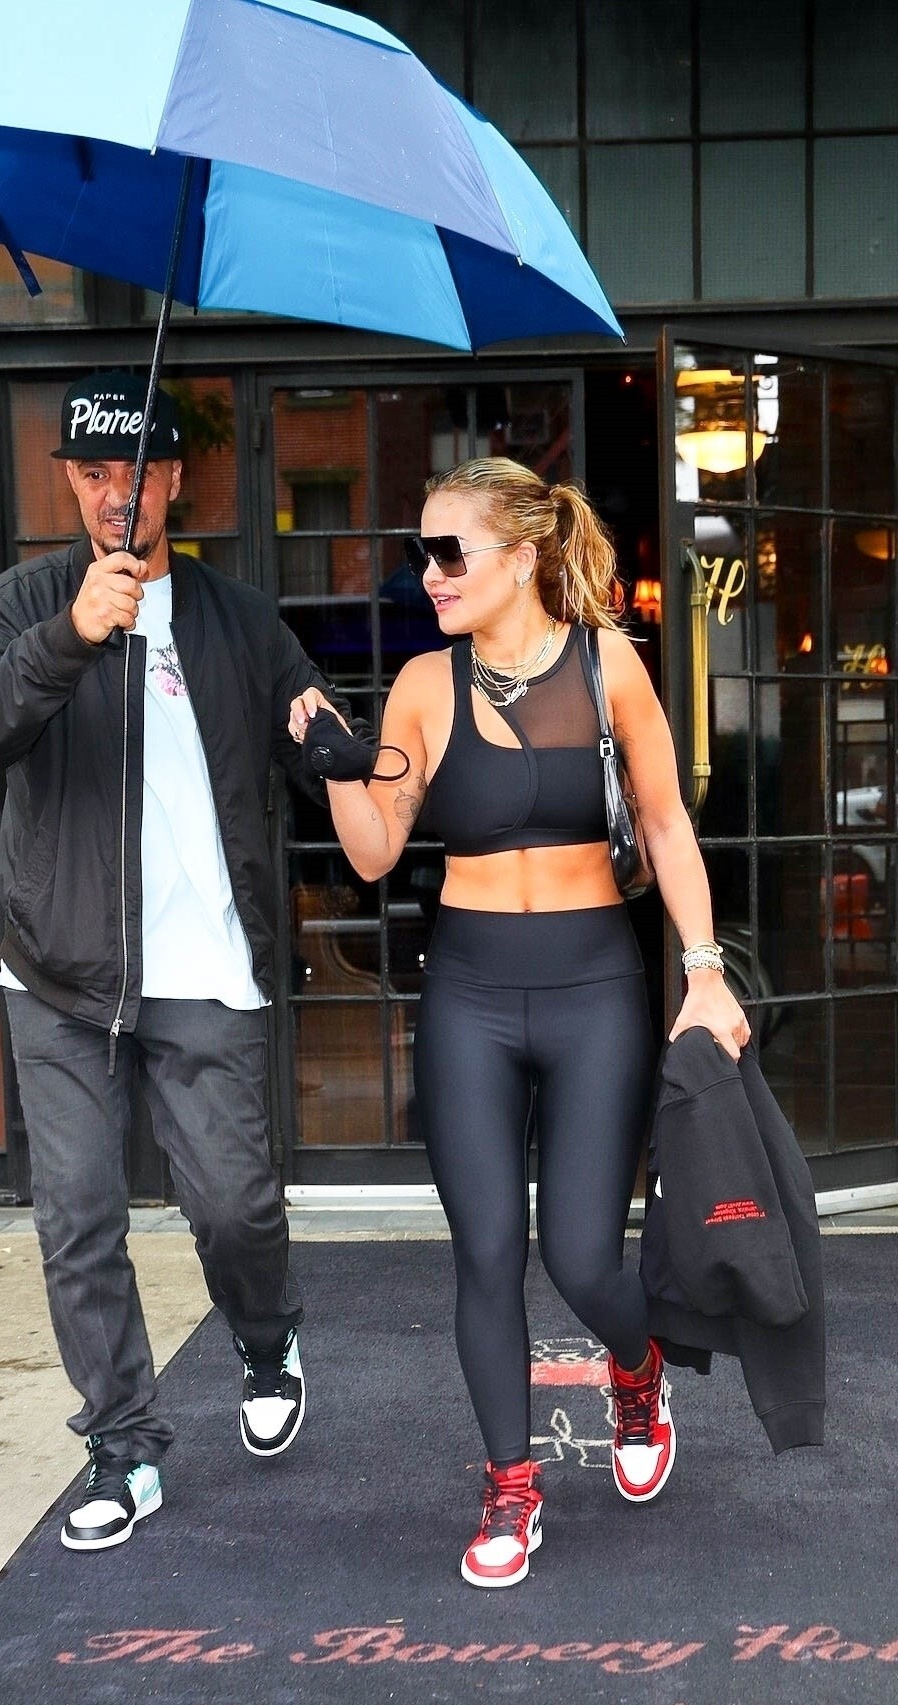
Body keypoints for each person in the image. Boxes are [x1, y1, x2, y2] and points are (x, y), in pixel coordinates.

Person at [288, 456, 750, 1590]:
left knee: (584, 1256)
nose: (431, 573)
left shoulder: (607, 664)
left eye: (450, 552)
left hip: (595, 987)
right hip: (471, 994)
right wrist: (334, 767)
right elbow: (373, 853)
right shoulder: (422, 685)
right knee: (487, 1249)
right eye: (423, 553)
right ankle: (509, 1483)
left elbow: (667, 825)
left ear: (524, 554)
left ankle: (636, 1373)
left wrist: (704, 973)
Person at [0, 369, 361, 1553]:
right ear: (71, 482)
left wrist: (335, 739)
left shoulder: (237, 618)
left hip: (203, 964)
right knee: (78, 1218)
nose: (116, 492)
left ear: (175, 478)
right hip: (59, 972)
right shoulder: (22, 602)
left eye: (137, 470)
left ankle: (266, 1337)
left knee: (234, 1204)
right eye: (94, 472)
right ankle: (123, 1445)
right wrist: (71, 636)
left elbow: (312, 719)